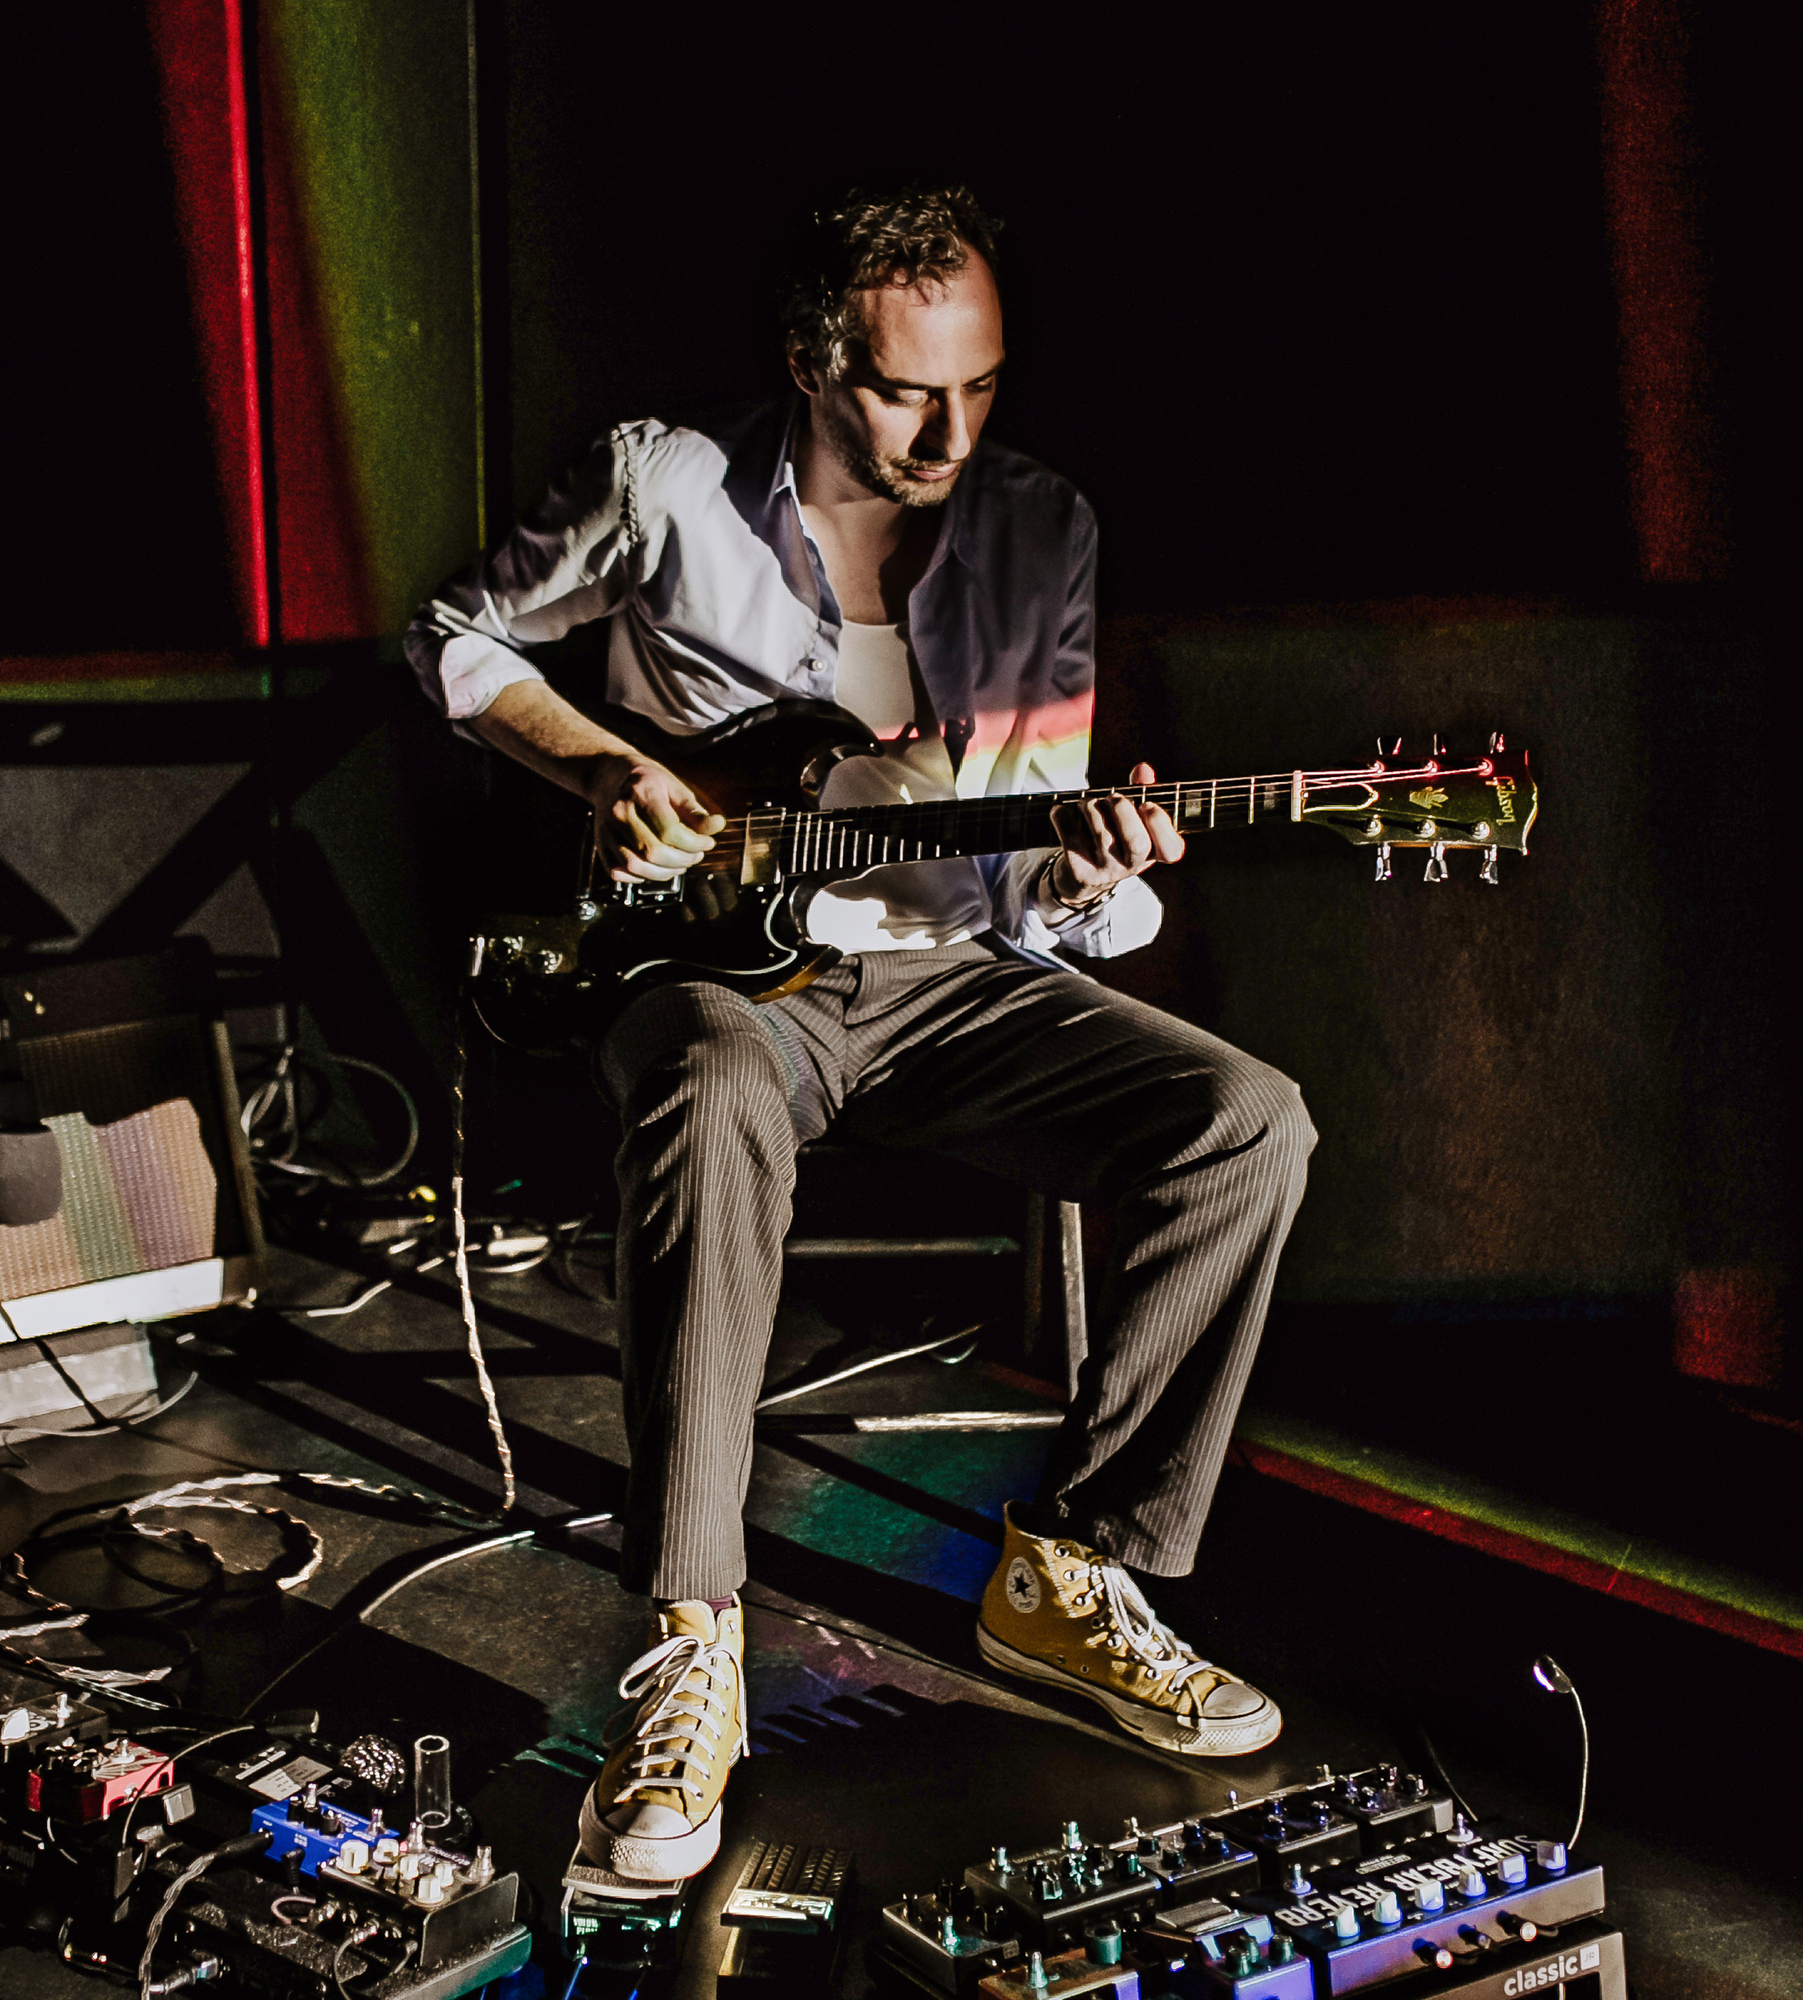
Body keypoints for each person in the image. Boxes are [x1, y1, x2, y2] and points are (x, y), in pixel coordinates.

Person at [406, 188, 1315, 1885]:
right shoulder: (662, 485)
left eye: (981, 389)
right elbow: (453, 638)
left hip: (949, 975)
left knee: (1248, 1119)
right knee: (704, 1083)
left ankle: (1071, 1569)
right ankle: (692, 1641)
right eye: (909, 394)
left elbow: (1032, 853)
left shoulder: (1041, 530)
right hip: (712, 973)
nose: (952, 436)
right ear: (817, 364)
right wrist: (603, 768)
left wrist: (1091, 875)